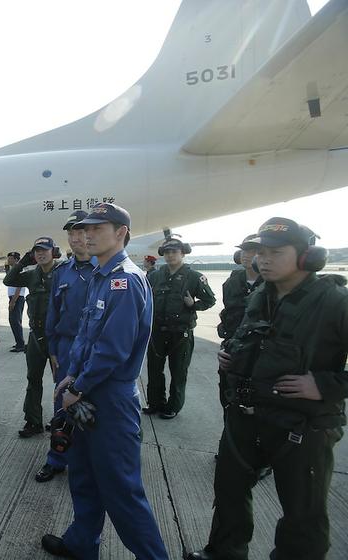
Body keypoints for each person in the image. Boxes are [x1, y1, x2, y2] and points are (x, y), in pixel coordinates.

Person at [188, 217, 347, 560]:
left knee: (302, 513)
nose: (264, 259)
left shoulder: (335, 301)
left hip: (302, 427)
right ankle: (224, 552)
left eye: (276, 252)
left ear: (307, 257)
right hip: (247, 416)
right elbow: (254, 340)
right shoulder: (262, 293)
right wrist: (233, 358)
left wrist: (324, 384)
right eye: (261, 252)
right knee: (229, 490)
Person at [42, 202, 168, 560]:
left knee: (121, 491)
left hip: (109, 400)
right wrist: (71, 375)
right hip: (83, 389)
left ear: (121, 233)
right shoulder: (99, 275)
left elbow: (113, 350)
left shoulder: (124, 280)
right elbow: (87, 336)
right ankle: (82, 544)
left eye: (98, 228)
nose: (87, 234)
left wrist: (77, 388)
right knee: (83, 477)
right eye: (86, 229)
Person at [35, 210, 96, 483]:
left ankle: (91, 462)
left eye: (80, 232)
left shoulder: (105, 269)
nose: (75, 238)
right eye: (70, 233)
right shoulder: (63, 272)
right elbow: (54, 312)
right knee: (62, 405)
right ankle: (56, 459)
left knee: (93, 406)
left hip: (96, 348)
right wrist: (52, 350)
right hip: (66, 347)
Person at [143, 237, 216, 419]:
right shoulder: (155, 275)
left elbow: (210, 300)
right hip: (157, 331)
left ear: (182, 254)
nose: (170, 255)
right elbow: (143, 298)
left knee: (178, 372)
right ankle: (155, 403)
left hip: (181, 333)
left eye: (174, 251)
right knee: (154, 370)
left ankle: (173, 406)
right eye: (167, 252)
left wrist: (193, 305)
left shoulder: (194, 277)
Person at [4, 236, 59, 437]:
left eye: (45, 249)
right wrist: (23, 261)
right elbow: (8, 280)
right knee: (33, 379)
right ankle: (33, 421)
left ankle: (60, 421)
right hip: (36, 336)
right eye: (37, 250)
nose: (41, 253)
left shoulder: (62, 273)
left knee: (61, 381)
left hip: (56, 337)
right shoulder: (31, 274)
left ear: (53, 251)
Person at [216, 233, 262, 410]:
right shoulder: (232, 282)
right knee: (228, 402)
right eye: (244, 250)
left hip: (258, 357)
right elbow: (228, 312)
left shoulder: (272, 285)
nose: (246, 254)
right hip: (232, 353)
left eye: (253, 250)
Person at [6, 251, 28, 352]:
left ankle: (20, 344)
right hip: (14, 297)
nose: (8, 260)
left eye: (10, 258)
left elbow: (19, 286)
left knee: (15, 321)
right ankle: (19, 342)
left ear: (15, 259)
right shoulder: (13, 270)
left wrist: (13, 301)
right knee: (14, 320)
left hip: (17, 298)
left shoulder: (20, 270)